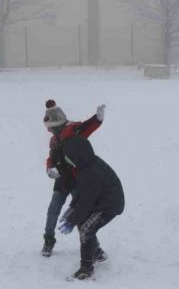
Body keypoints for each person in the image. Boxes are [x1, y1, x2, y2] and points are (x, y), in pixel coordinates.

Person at [57, 121, 124, 281]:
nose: (67, 159)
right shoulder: (84, 166)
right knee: (84, 225)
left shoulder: (91, 171)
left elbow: (87, 200)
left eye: (68, 156)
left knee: (86, 230)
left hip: (110, 205)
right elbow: (82, 193)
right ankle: (97, 253)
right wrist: (72, 208)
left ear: (77, 155)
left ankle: (86, 268)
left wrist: (72, 220)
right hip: (100, 201)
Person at [41, 100, 104, 257]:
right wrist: (50, 168)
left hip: (78, 181)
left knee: (81, 214)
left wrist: (97, 119)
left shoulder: (74, 131)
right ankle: (48, 241)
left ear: (57, 124)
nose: (49, 131)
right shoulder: (54, 140)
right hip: (62, 181)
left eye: (50, 128)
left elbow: (87, 127)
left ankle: (95, 249)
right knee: (52, 211)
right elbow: (52, 157)